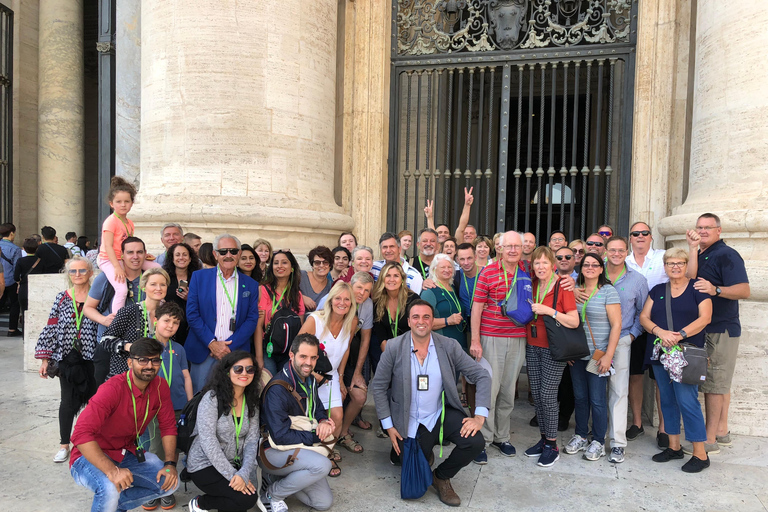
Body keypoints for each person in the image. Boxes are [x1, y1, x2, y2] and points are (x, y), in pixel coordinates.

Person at [371, 300, 490, 507]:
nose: (421, 321)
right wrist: (389, 427)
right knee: (414, 488)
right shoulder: (393, 347)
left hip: (439, 414)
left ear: (432, 320)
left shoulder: (448, 346)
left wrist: (479, 416)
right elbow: (379, 387)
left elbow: (482, 375)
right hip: (407, 419)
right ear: (408, 321)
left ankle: (441, 477)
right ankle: (409, 449)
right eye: (415, 317)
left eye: (426, 317)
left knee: (475, 441)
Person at [69, 338, 179, 511]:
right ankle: (109, 502)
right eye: (142, 360)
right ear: (130, 362)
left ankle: (112, 507)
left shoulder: (160, 386)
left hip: (124, 452)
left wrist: (170, 464)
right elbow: (80, 435)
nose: (149, 365)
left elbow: (168, 427)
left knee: (170, 483)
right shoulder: (112, 388)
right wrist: (113, 471)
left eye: (155, 360)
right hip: (87, 456)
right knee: (109, 489)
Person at [639, 247, 712, 473]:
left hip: (686, 354)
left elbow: (705, 318)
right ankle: (674, 446)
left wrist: (679, 334)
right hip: (661, 352)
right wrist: (660, 332)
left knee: (687, 400)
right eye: (671, 263)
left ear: (686, 265)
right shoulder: (658, 289)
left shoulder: (697, 289)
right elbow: (643, 317)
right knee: (667, 399)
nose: (676, 267)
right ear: (665, 266)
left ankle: (700, 453)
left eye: (680, 263)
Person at [685, 213, 750, 453]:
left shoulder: (727, 254)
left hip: (721, 328)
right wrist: (692, 250)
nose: (702, 231)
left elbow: (744, 290)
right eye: (699, 227)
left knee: (714, 385)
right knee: (719, 382)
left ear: (719, 230)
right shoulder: (702, 253)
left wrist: (716, 289)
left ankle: (709, 440)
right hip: (708, 328)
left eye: (707, 228)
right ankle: (721, 432)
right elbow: (691, 279)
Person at [469, 231, 528, 463]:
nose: (513, 250)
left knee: (507, 389)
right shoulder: (488, 272)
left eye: (517, 246)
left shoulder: (526, 272)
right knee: (489, 391)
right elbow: (477, 307)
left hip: (517, 337)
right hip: (491, 336)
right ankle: (482, 439)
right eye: (508, 246)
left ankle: (502, 436)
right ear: (499, 248)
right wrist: (475, 340)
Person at [259, 333, 335, 512]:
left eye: (313, 357)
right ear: (291, 355)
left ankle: (277, 479)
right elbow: (280, 436)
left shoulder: (309, 379)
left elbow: (318, 409)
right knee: (323, 465)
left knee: (322, 503)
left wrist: (323, 421)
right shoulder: (277, 388)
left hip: (297, 446)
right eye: (303, 356)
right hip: (273, 450)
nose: (308, 362)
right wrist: (315, 436)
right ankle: (271, 495)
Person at [35, 256, 99, 463]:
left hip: (93, 356)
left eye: (82, 271)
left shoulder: (99, 296)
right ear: (68, 274)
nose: (78, 275)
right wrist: (45, 359)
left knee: (96, 401)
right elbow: (51, 327)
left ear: (90, 273)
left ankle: (92, 443)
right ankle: (64, 444)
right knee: (67, 402)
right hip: (67, 358)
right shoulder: (62, 298)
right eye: (73, 271)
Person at [522, 247, 579, 467]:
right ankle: (544, 439)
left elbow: (573, 321)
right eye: (537, 263)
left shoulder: (562, 286)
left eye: (545, 263)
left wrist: (549, 310)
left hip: (554, 349)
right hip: (533, 345)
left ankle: (552, 445)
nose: (541, 267)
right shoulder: (533, 285)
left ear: (553, 265)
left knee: (547, 394)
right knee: (536, 393)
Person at [187, 351, 261, 512]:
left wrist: (244, 472)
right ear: (227, 372)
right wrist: (233, 475)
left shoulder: (252, 401)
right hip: (204, 464)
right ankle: (201, 503)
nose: (244, 373)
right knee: (245, 498)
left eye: (250, 369)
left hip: (235, 463)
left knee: (245, 497)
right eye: (238, 369)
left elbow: (252, 440)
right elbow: (208, 441)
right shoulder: (212, 399)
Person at [564, 253, 621, 462]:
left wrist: (608, 355)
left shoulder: (608, 291)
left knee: (597, 399)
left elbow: (616, 325)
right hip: (577, 353)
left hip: (598, 355)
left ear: (600, 269)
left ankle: (597, 439)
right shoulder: (574, 292)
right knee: (580, 397)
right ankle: (580, 434)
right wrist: (569, 350)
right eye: (586, 264)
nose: (589, 267)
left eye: (594, 265)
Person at [186, 234, 261, 392]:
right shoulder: (199, 277)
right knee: (199, 399)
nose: (228, 255)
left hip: (235, 352)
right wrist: (212, 344)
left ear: (239, 254)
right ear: (215, 254)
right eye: (223, 251)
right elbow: (192, 314)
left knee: (233, 400)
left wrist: (228, 347)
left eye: (233, 251)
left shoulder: (251, 285)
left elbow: (252, 319)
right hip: (204, 351)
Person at [298, 282, 359, 475]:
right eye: (338, 298)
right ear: (330, 300)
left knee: (337, 418)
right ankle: (311, 456)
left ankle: (327, 453)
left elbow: (346, 349)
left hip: (331, 376)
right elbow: (296, 350)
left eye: (346, 299)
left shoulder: (352, 321)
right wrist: (312, 374)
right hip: (308, 376)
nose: (342, 303)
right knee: (311, 420)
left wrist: (340, 378)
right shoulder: (315, 320)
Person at [138, 302, 192, 511]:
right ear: (155, 321)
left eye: (175, 322)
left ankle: (168, 489)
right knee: (150, 448)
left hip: (177, 406)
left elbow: (186, 376)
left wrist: (189, 404)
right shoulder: (145, 346)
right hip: (151, 407)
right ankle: (151, 488)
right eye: (166, 321)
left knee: (172, 449)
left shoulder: (178, 349)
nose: (170, 326)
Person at [603, 236, 648, 463]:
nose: (617, 254)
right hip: (596, 342)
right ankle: (597, 438)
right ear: (606, 251)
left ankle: (618, 443)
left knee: (619, 391)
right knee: (596, 392)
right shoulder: (592, 271)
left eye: (621, 250)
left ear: (627, 251)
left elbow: (643, 312)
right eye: (613, 250)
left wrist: (632, 336)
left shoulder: (637, 280)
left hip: (621, 341)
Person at [625, 222, 669, 445]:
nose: (640, 236)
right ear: (630, 237)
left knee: (661, 379)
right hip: (633, 327)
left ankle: (664, 428)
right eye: (636, 233)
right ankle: (637, 423)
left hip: (658, 328)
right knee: (634, 376)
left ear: (651, 237)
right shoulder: (623, 260)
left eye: (645, 233)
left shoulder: (663, 257)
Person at [84, 237, 148, 384]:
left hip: (141, 347)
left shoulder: (150, 278)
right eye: (130, 252)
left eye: (139, 252)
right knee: (106, 396)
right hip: (109, 347)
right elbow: (88, 308)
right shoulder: (106, 278)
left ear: (145, 254)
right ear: (122, 255)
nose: (135, 256)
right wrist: (103, 320)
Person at [97, 177, 160, 314]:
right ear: (111, 204)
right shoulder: (110, 222)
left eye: (127, 201)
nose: (123, 205)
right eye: (118, 202)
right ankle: (117, 319)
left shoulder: (130, 223)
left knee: (156, 267)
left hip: (123, 258)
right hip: (108, 259)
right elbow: (107, 246)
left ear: (132, 203)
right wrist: (116, 267)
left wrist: (143, 254)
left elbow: (130, 244)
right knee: (122, 289)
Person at [100, 268, 171, 380]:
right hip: (125, 377)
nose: (158, 288)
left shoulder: (168, 314)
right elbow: (105, 339)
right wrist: (130, 347)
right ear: (143, 287)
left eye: (163, 284)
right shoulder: (129, 311)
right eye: (153, 284)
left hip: (155, 377)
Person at [255, 249, 306, 377]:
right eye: (276, 263)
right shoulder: (263, 290)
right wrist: (259, 358)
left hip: (288, 350)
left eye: (284, 262)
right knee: (270, 383)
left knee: (284, 386)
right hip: (267, 349)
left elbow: (300, 327)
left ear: (292, 268)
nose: (280, 266)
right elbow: (257, 327)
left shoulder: (297, 295)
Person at [370, 262, 420, 372]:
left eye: (396, 276)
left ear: (402, 279)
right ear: (382, 279)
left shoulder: (413, 299)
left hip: (411, 350)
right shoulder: (377, 301)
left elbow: (418, 328)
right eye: (388, 275)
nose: (391, 279)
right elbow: (380, 332)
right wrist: (390, 356)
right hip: (387, 351)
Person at [420, 254, 465, 350]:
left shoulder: (454, 287)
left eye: (449, 267)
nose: (447, 270)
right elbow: (422, 322)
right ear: (433, 269)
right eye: (442, 267)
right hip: (441, 346)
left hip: (459, 344)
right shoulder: (429, 291)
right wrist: (447, 321)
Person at [161, 242, 200, 346]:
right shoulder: (164, 277)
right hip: (169, 324)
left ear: (190, 258)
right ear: (172, 258)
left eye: (185, 254)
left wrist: (189, 298)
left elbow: (205, 302)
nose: (181, 258)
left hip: (191, 326)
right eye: (177, 255)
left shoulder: (198, 277)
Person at [0, 222, 21, 336]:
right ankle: (12, 329)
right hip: (11, 280)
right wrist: (18, 281)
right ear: (11, 233)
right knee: (14, 304)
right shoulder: (15, 249)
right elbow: (16, 267)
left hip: (0, 280)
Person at [14, 237, 45, 314]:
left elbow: (16, 276)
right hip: (38, 288)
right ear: (37, 249)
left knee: (25, 312)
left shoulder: (20, 261)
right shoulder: (41, 261)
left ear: (23, 249)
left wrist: (18, 282)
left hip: (24, 287)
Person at [300, 246, 333, 311]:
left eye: (325, 262)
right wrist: (301, 298)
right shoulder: (301, 276)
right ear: (312, 265)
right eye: (317, 263)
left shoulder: (330, 286)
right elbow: (285, 291)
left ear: (330, 265)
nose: (321, 265)